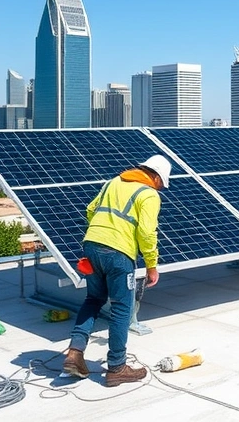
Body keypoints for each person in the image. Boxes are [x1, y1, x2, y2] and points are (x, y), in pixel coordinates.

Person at [62, 154, 171, 387]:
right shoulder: (149, 194)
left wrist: (101, 235)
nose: (160, 188)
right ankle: (117, 367)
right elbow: (146, 233)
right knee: (122, 308)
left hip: (91, 246)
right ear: (154, 176)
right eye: (161, 182)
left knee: (93, 299)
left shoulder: (113, 182)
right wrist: (152, 265)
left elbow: (91, 210)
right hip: (118, 254)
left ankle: (75, 352)